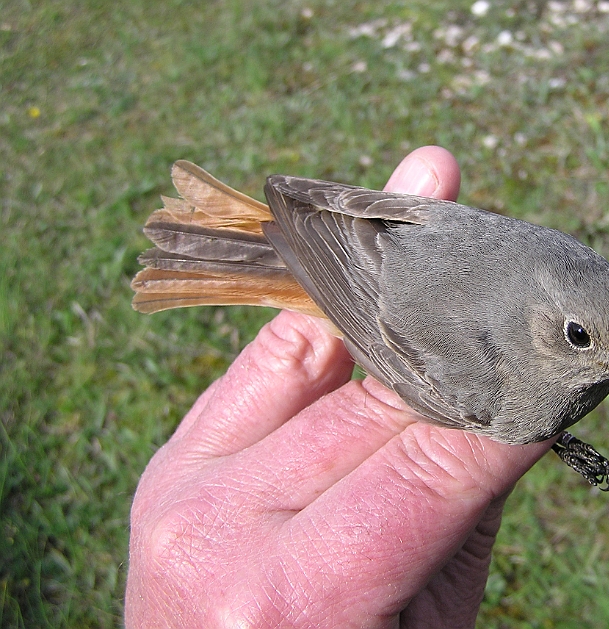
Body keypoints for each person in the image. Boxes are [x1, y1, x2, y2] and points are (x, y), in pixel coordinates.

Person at [125, 146, 555, 628]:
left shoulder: (545, 282)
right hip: (362, 281)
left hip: (381, 247)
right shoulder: (494, 362)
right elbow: (372, 313)